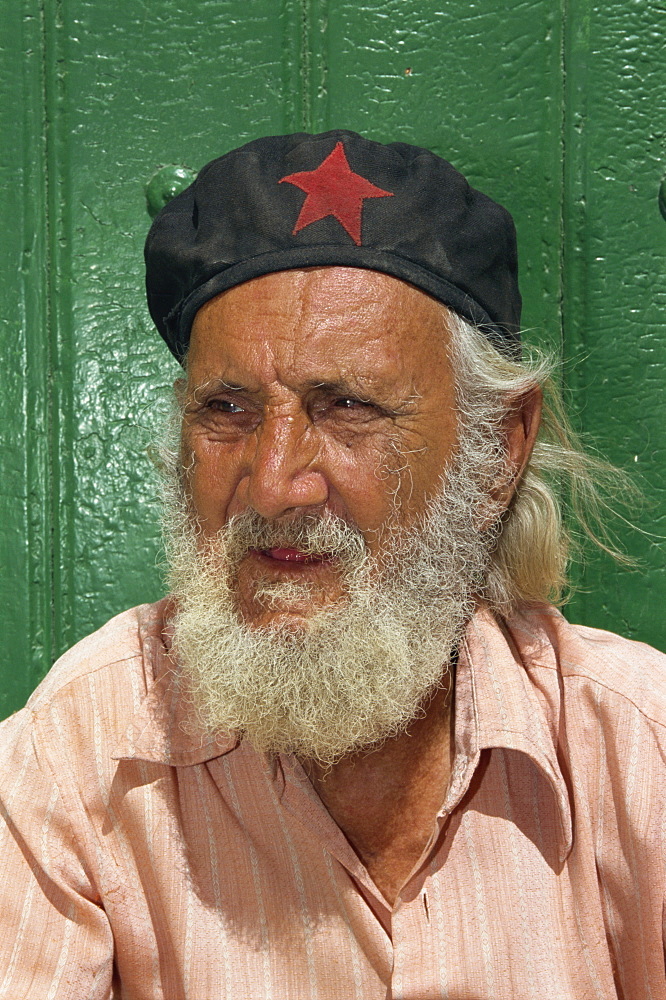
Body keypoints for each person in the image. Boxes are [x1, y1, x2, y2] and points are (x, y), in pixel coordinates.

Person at [0, 129, 664, 999]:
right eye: (227, 408)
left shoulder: (640, 751)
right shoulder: (72, 760)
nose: (275, 485)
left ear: (498, 449)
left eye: (348, 406)